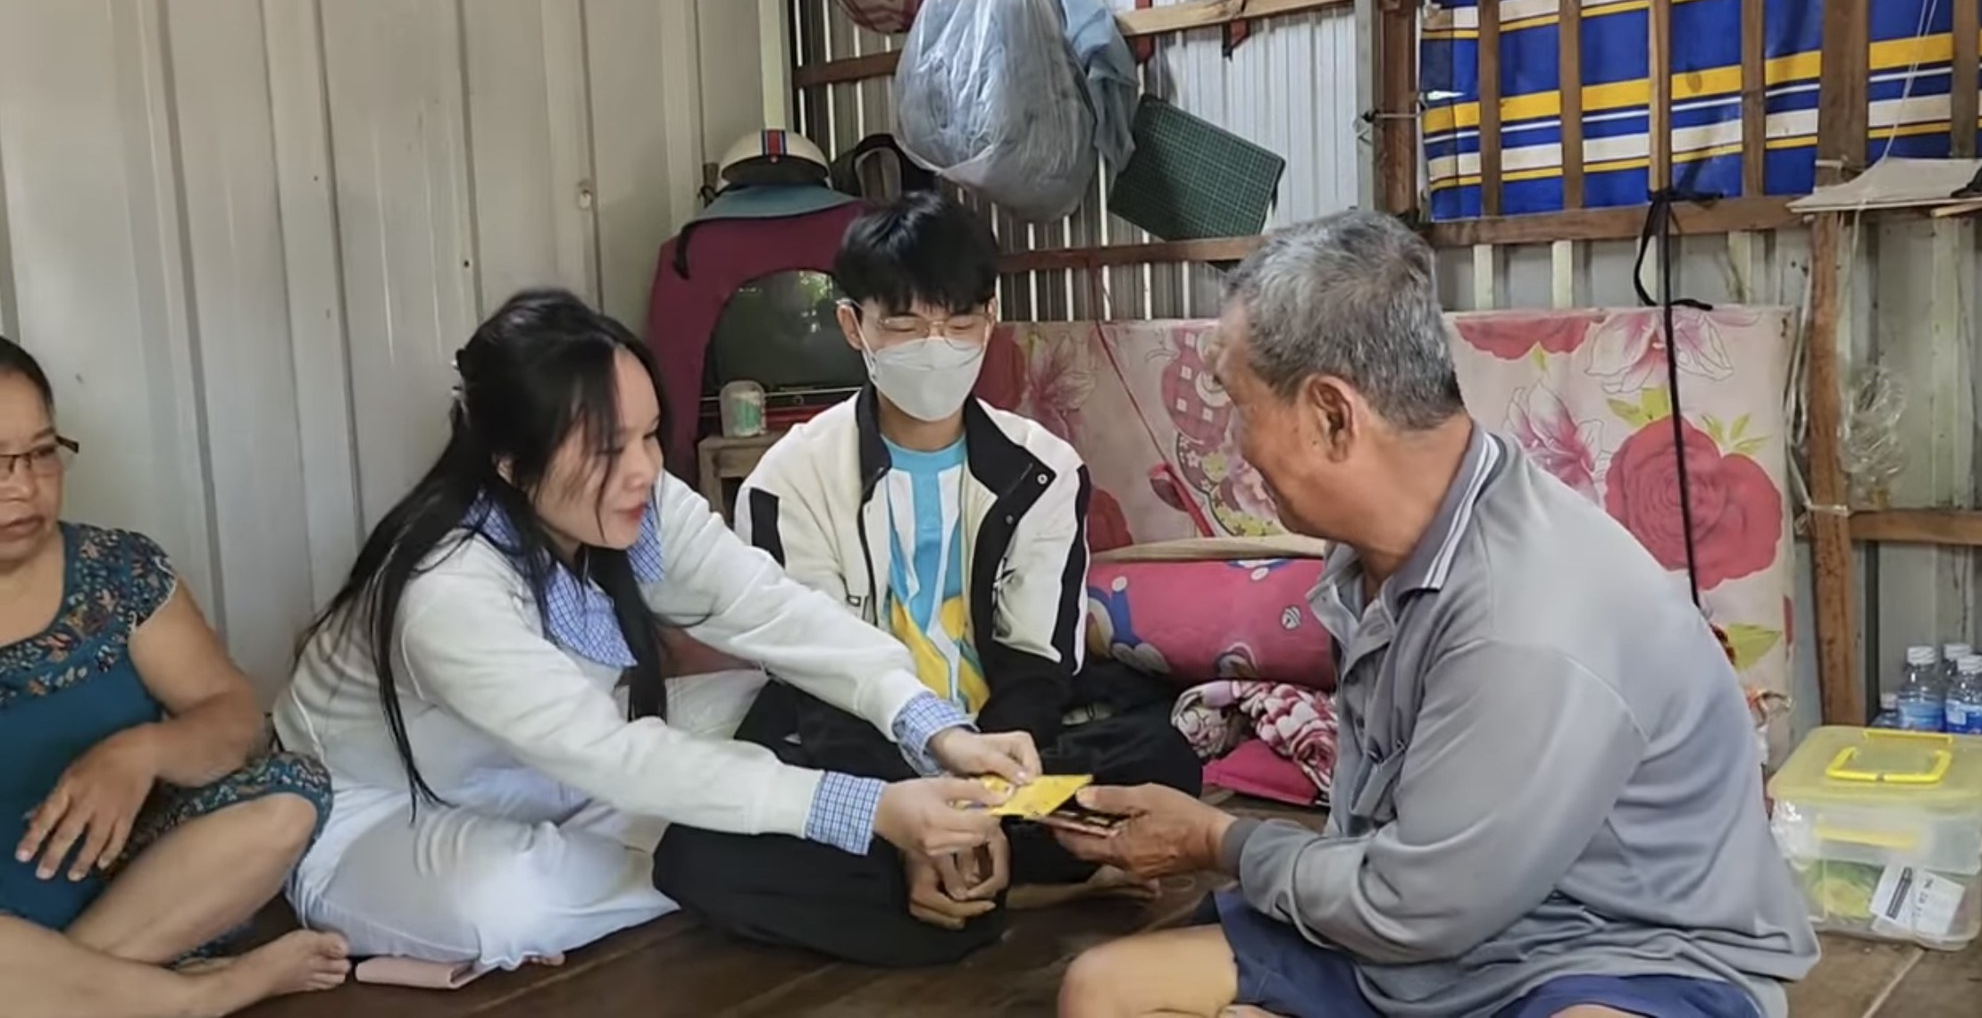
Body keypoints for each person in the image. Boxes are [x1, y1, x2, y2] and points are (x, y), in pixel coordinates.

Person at [1048, 211, 1819, 1018]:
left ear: (1332, 416)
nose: (1236, 443)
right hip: (1428, 930)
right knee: (1105, 993)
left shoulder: (1528, 617)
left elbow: (1415, 908)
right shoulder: (1382, 543)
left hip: (1607, 951)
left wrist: (1218, 840)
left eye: (1239, 406)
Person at [273, 288, 1038, 971]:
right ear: (509, 459)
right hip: (385, 813)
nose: (643, 468)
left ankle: (745, 851)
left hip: (568, 777)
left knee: (778, 705)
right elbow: (607, 754)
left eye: (648, 435)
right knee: (506, 908)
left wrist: (933, 725)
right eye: (608, 448)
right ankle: (752, 860)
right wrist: (866, 811)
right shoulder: (448, 591)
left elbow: (772, 608)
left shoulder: (640, 500)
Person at [654, 191, 1201, 967]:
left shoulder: (1044, 469)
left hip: (1006, 763)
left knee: (1163, 760)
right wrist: (910, 820)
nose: (936, 348)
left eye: (959, 322)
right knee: (697, 853)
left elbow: (1036, 660)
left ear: (990, 320)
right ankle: (1011, 884)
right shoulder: (788, 479)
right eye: (906, 325)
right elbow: (817, 678)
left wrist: (985, 797)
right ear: (854, 327)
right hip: (856, 762)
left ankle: (953, 884)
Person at [0, 337, 348, 1018]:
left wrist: (141, 753)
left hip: (134, 888)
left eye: (42, 453)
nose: (24, 485)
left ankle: (66, 993)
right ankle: (195, 995)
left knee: (289, 795)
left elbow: (235, 719)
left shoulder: (118, 571)